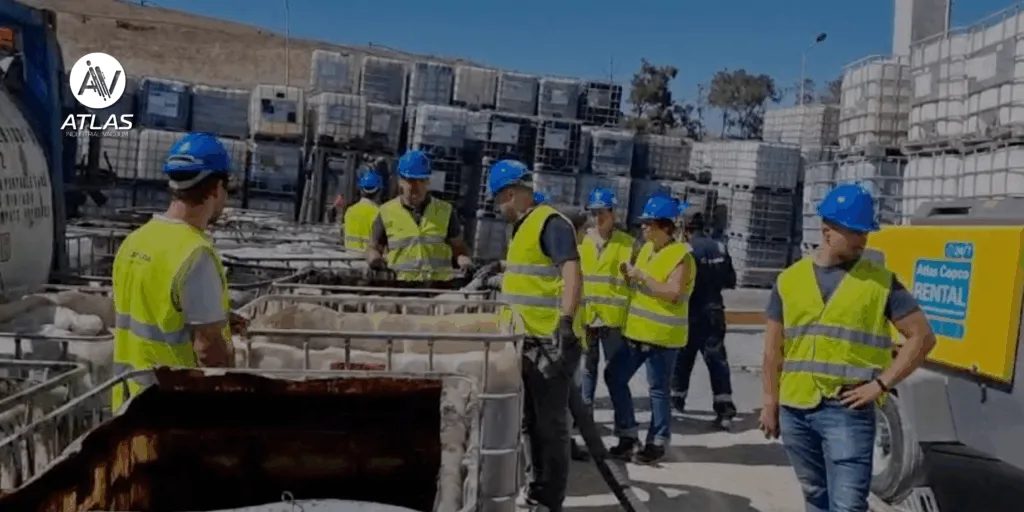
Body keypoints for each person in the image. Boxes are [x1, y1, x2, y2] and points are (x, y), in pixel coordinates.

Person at [760, 184, 937, 512]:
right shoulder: (789, 280)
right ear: (827, 230)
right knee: (815, 496)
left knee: (847, 507)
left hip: (846, 411)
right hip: (795, 408)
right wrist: (770, 401)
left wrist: (881, 384)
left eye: (865, 232)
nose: (863, 239)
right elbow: (773, 350)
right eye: (855, 232)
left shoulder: (881, 282)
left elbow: (923, 337)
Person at [110, 132, 246, 413]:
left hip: (129, 401)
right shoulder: (195, 254)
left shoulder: (135, 241)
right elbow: (209, 351)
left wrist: (218, 317)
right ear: (217, 188)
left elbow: (149, 310)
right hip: (173, 408)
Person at [488, 159, 583, 512]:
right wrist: (497, 272)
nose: (498, 208)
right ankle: (535, 489)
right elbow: (530, 276)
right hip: (527, 341)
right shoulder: (525, 226)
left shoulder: (550, 223)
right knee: (531, 422)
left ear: (510, 194)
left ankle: (549, 499)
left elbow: (570, 270)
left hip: (549, 342)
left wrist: (566, 322)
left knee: (550, 427)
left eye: (498, 200)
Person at [605, 193, 695, 464]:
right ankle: (627, 434)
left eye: (649, 224)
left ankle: (656, 442)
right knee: (614, 376)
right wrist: (630, 276)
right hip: (637, 332)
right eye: (643, 223)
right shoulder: (645, 250)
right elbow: (641, 286)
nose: (643, 228)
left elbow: (673, 293)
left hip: (662, 336)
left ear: (665, 227)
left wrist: (642, 276)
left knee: (658, 390)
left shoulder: (681, 257)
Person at [576, 187, 635, 454]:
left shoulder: (627, 244)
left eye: (602, 212)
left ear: (613, 214)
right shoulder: (581, 242)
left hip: (613, 321)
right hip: (587, 318)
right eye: (594, 213)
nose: (598, 218)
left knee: (617, 378)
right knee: (586, 377)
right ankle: (584, 432)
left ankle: (627, 434)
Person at [671, 209, 739, 429]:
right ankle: (725, 410)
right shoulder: (720, 247)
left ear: (685, 229)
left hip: (690, 311)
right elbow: (730, 280)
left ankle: (676, 401)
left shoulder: (684, 250)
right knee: (717, 361)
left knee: (683, 359)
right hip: (714, 310)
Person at [366, 149, 473, 281]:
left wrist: (464, 261)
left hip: (438, 287)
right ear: (400, 181)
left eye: (421, 180)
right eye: (410, 180)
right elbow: (373, 247)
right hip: (401, 286)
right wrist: (374, 259)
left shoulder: (446, 211)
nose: (415, 187)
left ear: (428, 181)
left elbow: (459, 249)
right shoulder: (386, 212)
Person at [342, 170, 382, 252]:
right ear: (379, 192)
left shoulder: (350, 211)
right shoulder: (379, 213)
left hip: (348, 256)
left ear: (361, 191)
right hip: (369, 257)